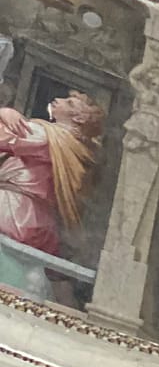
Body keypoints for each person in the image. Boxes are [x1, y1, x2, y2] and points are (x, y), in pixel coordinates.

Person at [0, 89, 104, 256]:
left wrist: (4, 112)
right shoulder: (75, 146)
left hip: (14, 208)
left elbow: (4, 138)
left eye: (69, 103)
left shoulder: (52, 136)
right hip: (39, 218)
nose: (58, 99)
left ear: (79, 118)